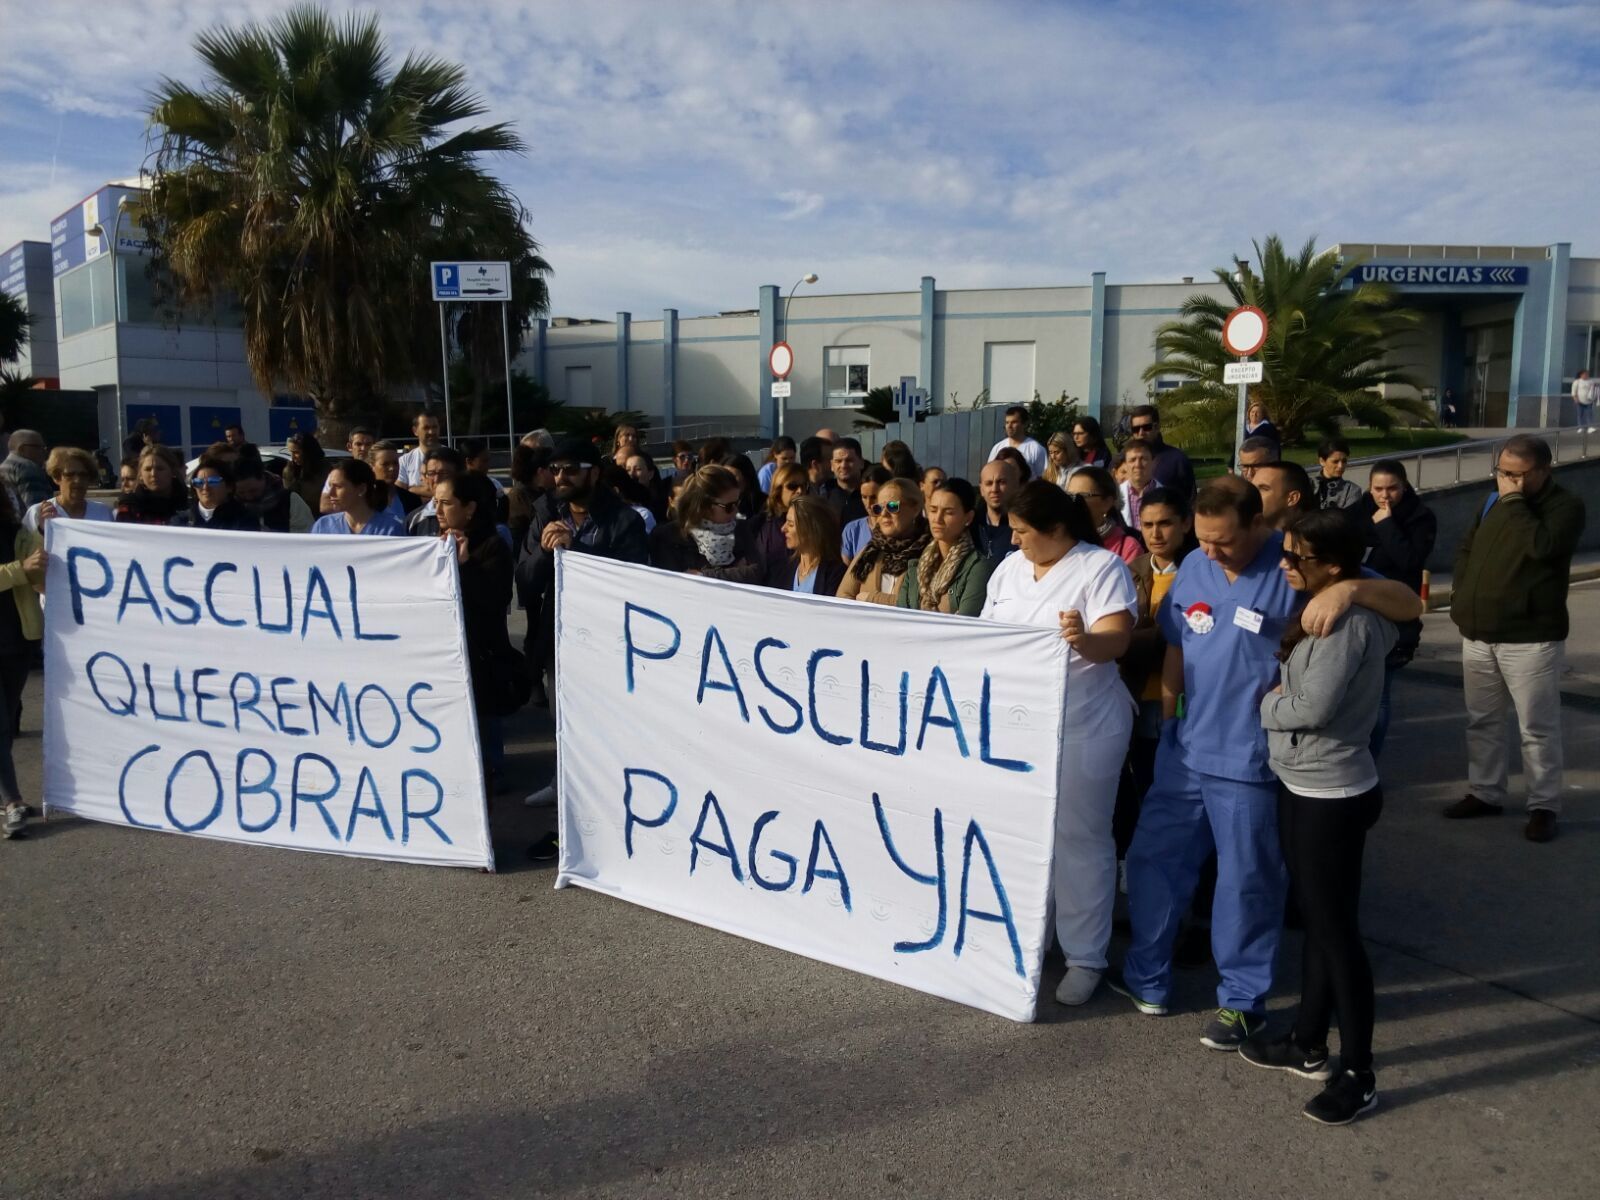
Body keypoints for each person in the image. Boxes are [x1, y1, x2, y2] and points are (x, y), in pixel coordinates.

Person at [1114, 478, 1422, 1048]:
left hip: (1252, 759)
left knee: (1247, 881)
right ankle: (1145, 977)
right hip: (1187, 749)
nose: (1211, 551)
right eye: (1202, 540)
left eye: (1224, 541)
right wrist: (1169, 713)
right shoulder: (1195, 570)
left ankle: (1241, 1001)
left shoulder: (1292, 568)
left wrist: (1349, 591)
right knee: (1154, 860)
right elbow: (1179, 641)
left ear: (1258, 524)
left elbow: (1409, 603)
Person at [1247, 510, 1395, 1126]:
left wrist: (1267, 704)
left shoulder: (1348, 625)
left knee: (1338, 937)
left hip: (1329, 795)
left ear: (1333, 566)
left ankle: (1359, 1072)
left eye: (1296, 557)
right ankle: (1307, 1041)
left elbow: (1313, 705)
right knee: (1316, 920)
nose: (1285, 564)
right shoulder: (1328, 606)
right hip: (1303, 784)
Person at [981, 481, 1136, 1005]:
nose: (1015, 540)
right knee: (1025, 835)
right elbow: (986, 634)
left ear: (1057, 529)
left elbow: (1116, 640)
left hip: (1085, 725)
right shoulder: (1008, 568)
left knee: (1079, 839)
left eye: (1023, 532)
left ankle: (1086, 956)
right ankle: (1031, 937)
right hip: (1019, 726)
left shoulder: (1100, 568)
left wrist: (1083, 639)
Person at [1446, 435, 1585, 842]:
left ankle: (1543, 805)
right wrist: (1459, 593)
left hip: (1530, 638)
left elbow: (1541, 547)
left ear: (1544, 471)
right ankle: (1485, 791)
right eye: (1503, 472)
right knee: (1482, 720)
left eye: (1518, 475)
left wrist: (1515, 502)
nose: (1508, 482)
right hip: (1478, 632)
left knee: (1537, 727)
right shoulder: (1493, 500)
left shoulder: (1565, 507)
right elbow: (1467, 549)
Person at [516, 438, 651, 830]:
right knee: (563, 718)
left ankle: (611, 793)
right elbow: (524, 580)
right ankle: (564, 784)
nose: (560, 477)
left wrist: (577, 553)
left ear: (593, 472)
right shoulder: (545, 512)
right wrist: (544, 553)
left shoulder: (624, 519)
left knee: (609, 721)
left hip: (610, 640)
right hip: (559, 636)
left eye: (570, 469)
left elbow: (632, 579)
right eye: (555, 470)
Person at [1117, 487, 1196, 861]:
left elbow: (1175, 638)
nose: (1155, 532)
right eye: (1147, 524)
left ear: (1186, 523)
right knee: (1138, 784)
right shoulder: (1129, 571)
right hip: (1134, 695)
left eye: (1165, 523)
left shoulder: (1200, 571)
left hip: (1181, 699)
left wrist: (1123, 641)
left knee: (1170, 787)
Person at [436, 471, 519, 789]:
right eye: (436, 503)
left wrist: (466, 565)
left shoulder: (493, 545)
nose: (439, 510)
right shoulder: (436, 541)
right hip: (445, 654)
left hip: (482, 654)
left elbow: (494, 600)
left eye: (446, 503)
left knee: (484, 727)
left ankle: (492, 775)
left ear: (469, 508)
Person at [1359, 460, 1437, 755]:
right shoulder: (1360, 510)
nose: (1385, 496)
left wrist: (1387, 525)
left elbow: (1410, 561)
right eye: (1378, 489)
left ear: (1404, 486)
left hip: (1394, 617)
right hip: (1356, 611)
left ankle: (1371, 764)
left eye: (1392, 488)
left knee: (1379, 697)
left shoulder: (1420, 517)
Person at [0, 486, 45, 839]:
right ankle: (12, 801)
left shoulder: (18, 532)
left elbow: (41, 580)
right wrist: (20, 569)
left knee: (7, 719)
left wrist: (49, 539)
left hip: (17, 640)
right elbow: (23, 571)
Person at [649, 464, 763, 581]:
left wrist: (704, 576)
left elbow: (755, 572)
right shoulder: (668, 536)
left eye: (737, 503)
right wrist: (733, 572)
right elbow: (673, 581)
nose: (735, 511)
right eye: (728, 507)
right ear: (704, 506)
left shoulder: (741, 529)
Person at [897, 477, 993, 615]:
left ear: (968, 518)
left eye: (948, 512)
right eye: (933, 510)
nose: (937, 519)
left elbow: (966, 623)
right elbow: (900, 618)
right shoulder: (916, 568)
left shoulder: (978, 568)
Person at [839, 477, 929, 605]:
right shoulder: (870, 550)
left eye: (892, 507)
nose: (884, 514)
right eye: (878, 509)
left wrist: (872, 599)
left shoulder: (931, 552)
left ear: (915, 508)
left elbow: (928, 604)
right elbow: (843, 595)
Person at [23, 448, 114, 532]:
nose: (77, 480)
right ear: (57, 478)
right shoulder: (38, 513)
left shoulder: (103, 512)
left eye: (83, 475)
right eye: (70, 475)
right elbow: (23, 548)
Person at [1067, 466, 1142, 564]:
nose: (1074, 502)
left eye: (1082, 496)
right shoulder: (1060, 541)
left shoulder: (1127, 548)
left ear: (1107, 502)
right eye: (1069, 495)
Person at [310, 459, 406, 535]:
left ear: (361, 489)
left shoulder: (390, 529)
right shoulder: (322, 526)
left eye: (338, 487)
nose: (331, 493)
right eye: (330, 486)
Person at [776, 494, 846, 595]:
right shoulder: (784, 569)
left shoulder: (835, 574)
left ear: (811, 530)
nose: (783, 528)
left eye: (791, 524)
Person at [168, 458, 263, 531]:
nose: (205, 487)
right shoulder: (180, 520)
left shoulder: (245, 519)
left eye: (213, 481)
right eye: (199, 482)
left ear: (229, 486)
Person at [1125, 406, 1197, 497]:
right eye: (1136, 429)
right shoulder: (1121, 460)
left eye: (1146, 427)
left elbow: (1191, 501)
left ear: (1157, 427)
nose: (1141, 433)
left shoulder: (1177, 460)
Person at [234, 455, 312, 533]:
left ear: (263, 478)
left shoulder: (290, 500)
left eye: (253, 491)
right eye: (241, 493)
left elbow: (307, 532)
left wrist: (274, 535)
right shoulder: (231, 505)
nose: (248, 497)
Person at [406, 446, 465, 537]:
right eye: (431, 474)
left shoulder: (474, 516)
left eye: (444, 473)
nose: (436, 479)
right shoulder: (413, 520)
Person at [973, 458, 1021, 565]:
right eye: (989, 483)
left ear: (1015, 485)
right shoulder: (970, 526)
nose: (994, 489)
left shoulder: (1025, 529)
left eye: (1002, 482)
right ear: (981, 489)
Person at [841, 465, 892, 563]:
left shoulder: (896, 528)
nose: (869, 504)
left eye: (874, 497)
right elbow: (847, 571)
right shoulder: (852, 530)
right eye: (864, 497)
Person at [1, 431, 53, 520]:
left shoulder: (3, 467)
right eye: (39, 447)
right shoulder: (28, 468)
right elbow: (38, 508)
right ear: (22, 449)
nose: (45, 451)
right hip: (27, 529)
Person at [987, 405, 1048, 478]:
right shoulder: (997, 448)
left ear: (1025, 424)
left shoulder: (1036, 449)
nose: (1009, 426)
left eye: (1014, 422)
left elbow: (1044, 478)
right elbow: (990, 473)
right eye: (1007, 422)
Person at [1252, 460, 1316, 530]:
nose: (1252, 493)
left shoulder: (1316, 537)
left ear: (1292, 498)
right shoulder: (1250, 535)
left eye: (1263, 489)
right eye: (1252, 488)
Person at [370, 442, 424, 519]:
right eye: (385, 464)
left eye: (395, 463)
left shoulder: (412, 500)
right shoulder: (362, 500)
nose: (392, 468)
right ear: (372, 466)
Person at [282, 432, 331, 513]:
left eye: (296, 452)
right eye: (291, 452)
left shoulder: (326, 469)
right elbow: (290, 499)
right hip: (302, 517)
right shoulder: (290, 471)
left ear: (307, 451)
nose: (292, 457)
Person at [824, 437, 868, 526]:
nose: (843, 465)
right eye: (838, 461)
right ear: (832, 465)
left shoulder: (873, 495)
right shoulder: (823, 498)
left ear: (861, 463)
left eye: (849, 460)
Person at [397, 412, 443, 493]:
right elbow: (401, 493)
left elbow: (454, 491)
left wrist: (413, 490)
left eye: (434, 427)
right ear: (415, 431)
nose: (431, 432)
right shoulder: (404, 461)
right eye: (426, 428)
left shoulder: (452, 457)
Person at [1118, 439, 1158, 531]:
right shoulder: (1114, 496)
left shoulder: (1168, 495)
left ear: (1153, 461)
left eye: (1143, 459)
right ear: (1125, 464)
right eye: (1132, 460)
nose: (1138, 464)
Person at [1315, 438, 1363, 510]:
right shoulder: (1308, 485)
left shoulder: (1352, 490)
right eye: (1335, 461)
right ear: (1322, 461)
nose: (1340, 466)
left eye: (1344, 461)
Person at [624, 451, 670, 521]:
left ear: (650, 474)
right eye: (628, 470)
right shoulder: (621, 503)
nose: (631, 474)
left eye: (637, 469)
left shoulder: (662, 505)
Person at [1572, 369, 1594, 433]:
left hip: (1589, 401)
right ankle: (1580, 427)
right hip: (1580, 401)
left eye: (1587, 374)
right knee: (1580, 415)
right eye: (1585, 374)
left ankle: (1590, 427)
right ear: (1581, 375)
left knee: (1589, 414)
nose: (1586, 375)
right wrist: (1575, 398)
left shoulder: (1591, 381)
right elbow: (1574, 391)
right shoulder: (1577, 382)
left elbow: (1593, 390)